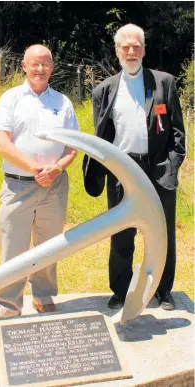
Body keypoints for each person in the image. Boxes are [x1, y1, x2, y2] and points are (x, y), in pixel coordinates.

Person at [83, 24, 185, 311]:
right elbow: (101, 133)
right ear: (117, 51)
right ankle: (120, 289)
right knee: (121, 231)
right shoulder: (104, 90)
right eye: (125, 47)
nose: (131, 51)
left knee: (162, 232)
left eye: (136, 46)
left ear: (143, 50)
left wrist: (173, 165)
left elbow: (178, 132)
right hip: (122, 169)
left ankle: (163, 291)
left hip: (158, 169)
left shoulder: (164, 82)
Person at [0, 44, 79, 332]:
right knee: (13, 247)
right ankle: (8, 306)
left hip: (55, 185)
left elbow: (72, 146)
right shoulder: (10, 99)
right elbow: (2, 143)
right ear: (24, 66)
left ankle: (44, 295)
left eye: (45, 64)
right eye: (34, 64)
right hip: (18, 186)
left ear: (52, 67)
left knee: (49, 245)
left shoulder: (63, 102)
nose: (40, 69)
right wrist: (34, 168)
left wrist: (58, 167)